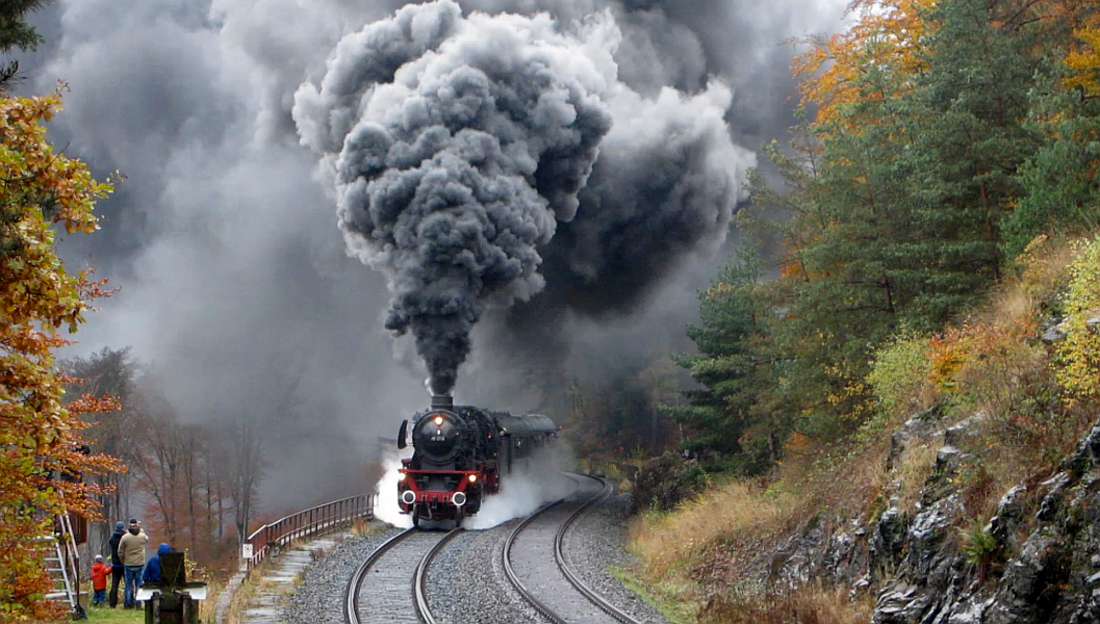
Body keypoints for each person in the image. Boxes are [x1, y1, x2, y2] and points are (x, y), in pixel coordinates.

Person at [118, 518, 149, 609]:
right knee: (139, 584)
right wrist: (141, 530)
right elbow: (147, 539)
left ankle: (127, 603)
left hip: (128, 563)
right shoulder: (142, 536)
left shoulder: (125, 537)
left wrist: (122, 560)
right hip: (139, 563)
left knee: (128, 585)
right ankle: (138, 603)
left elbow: (120, 551)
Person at [107, 521, 126, 608]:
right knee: (128, 584)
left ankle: (112, 602)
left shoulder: (112, 538)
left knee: (115, 584)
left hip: (115, 564)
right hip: (125, 563)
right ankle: (129, 601)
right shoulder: (126, 538)